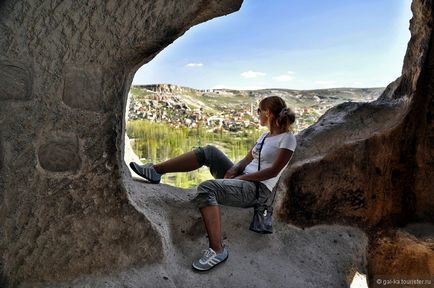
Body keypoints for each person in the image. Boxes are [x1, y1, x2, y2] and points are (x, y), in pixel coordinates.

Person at [129, 96, 296, 271]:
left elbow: (274, 171)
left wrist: (241, 179)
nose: (257, 115)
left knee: (207, 188)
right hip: (244, 177)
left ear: (268, 113)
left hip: (257, 188)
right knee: (209, 151)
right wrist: (234, 169)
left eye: (259, 111)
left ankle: (217, 250)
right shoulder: (264, 136)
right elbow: (246, 160)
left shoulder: (287, 139)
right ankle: (155, 171)